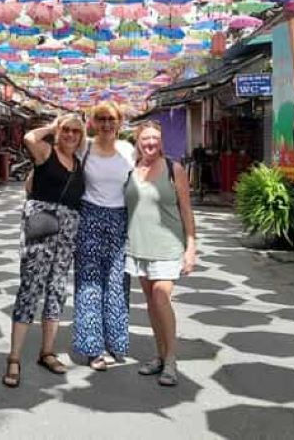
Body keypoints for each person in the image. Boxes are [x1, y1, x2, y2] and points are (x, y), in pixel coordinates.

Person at [3, 113, 86, 388]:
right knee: (31, 286)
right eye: (66, 130)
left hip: (67, 231)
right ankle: (14, 358)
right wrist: (52, 126)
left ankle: (47, 352)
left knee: (57, 288)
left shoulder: (79, 163)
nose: (70, 135)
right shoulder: (46, 152)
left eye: (76, 131)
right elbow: (29, 137)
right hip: (41, 224)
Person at [125, 121, 197, 387]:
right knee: (151, 303)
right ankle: (159, 355)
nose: (151, 142)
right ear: (138, 141)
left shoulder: (173, 169)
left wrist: (191, 247)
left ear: (161, 141)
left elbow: (186, 209)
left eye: (155, 138)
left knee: (161, 297)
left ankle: (171, 360)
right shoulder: (131, 170)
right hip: (138, 247)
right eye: (146, 138)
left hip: (168, 246)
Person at [72, 102, 135, 370]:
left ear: (119, 122)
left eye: (111, 119)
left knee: (117, 282)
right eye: (101, 119)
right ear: (93, 122)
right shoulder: (83, 147)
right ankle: (92, 348)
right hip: (89, 217)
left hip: (120, 219)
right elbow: (46, 143)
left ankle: (115, 341)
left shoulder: (128, 150)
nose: (106, 124)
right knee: (89, 283)